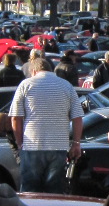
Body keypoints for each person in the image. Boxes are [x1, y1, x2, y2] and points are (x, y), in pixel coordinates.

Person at [7, 56, 83, 194]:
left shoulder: (26, 85)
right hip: (59, 145)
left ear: (34, 71)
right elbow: (77, 118)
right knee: (54, 191)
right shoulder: (67, 86)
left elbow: (16, 118)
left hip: (32, 145)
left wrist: (19, 144)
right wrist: (76, 143)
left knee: (30, 191)